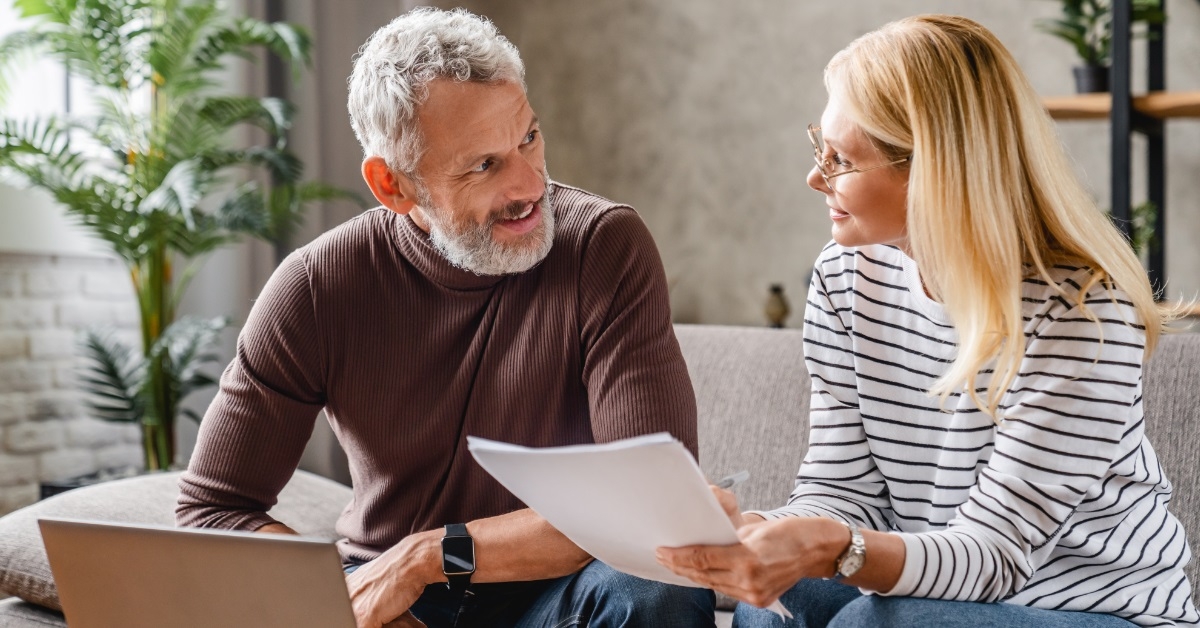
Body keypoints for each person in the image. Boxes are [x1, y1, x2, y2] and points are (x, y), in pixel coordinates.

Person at [175, 7, 714, 628]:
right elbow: (214, 512)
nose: (528, 184)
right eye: (484, 165)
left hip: (556, 595)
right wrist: (339, 598)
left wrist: (427, 555)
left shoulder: (604, 245)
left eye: (528, 139)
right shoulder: (315, 287)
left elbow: (651, 505)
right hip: (390, 594)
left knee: (658, 588)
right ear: (393, 187)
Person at [657, 14, 1198, 628]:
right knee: (774, 611)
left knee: (872, 625)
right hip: (937, 598)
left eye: (840, 159)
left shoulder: (1080, 310)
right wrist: (758, 532)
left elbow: (995, 556)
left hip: (1094, 610)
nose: (815, 177)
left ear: (933, 171)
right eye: (819, 149)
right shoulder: (844, 277)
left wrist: (833, 549)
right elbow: (840, 492)